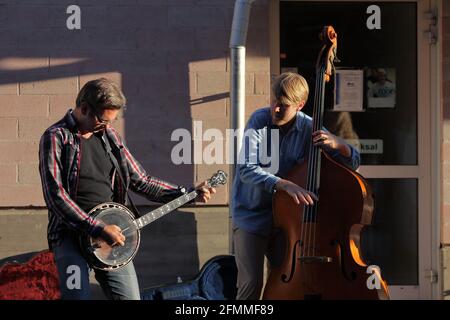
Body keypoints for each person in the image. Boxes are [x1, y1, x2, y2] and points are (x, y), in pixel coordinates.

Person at [38, 78, 216, 300]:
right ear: (84, 108)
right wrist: (98, 227)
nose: (107, 127)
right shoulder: (56, 137)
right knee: (77, 298)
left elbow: (140, 180)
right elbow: (55, 196)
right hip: (70, 238)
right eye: (103, 121)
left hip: (112, 239)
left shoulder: (110, 136)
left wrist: (187, 194)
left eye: (110, 122)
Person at [230, 72, 361, 300]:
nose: (276, 110)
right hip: (251, 216)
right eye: (273, 102)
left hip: (288, 223)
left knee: (290, 283)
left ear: (300, 105)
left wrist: (340, 145)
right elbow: (246, 169)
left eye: (284, 105)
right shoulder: (259, 120)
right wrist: (285, 185)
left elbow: (353, 163)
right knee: (251, 282)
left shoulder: (310, 127)